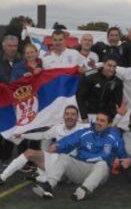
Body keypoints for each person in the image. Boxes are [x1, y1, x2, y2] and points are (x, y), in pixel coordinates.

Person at [32, 112, 131, 201]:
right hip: (81, 168)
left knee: (102, 164)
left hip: (100, 173)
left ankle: (83, 190)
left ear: (109, 124)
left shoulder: (114, 137)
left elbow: (124, 155)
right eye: (97, 119)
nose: (98, 122)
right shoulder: (85, 132)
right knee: (64, 157)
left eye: (102, 121)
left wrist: (129, 160)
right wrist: (58, 145)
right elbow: (69, 140)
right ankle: (48, 186)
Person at [0, 105, 87, 184]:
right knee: (29, 152)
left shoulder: (84, 128)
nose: (69, 117)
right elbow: (42, 135)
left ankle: (44, 178)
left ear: (77, 117)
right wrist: (23, 135)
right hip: (57, 162)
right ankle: (2, 177)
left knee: (60, 157)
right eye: (67, 114)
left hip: (74, 167)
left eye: (73, 114)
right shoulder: (58, 128)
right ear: (63, 116)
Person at [76, 55, 123, 123]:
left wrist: (111, 118)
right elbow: (80, 96)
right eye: (109, 65)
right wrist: (84, 116)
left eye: (114, 66)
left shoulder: (118, 82)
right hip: (88, 114)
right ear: (103, 64)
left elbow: (117, 103)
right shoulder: (90, 76)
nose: (112, 69)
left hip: (106, 117)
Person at [0, 35, 22, 166]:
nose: (13, 49)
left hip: (19, 103)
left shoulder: (23, 60)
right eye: (10, 46)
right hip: (2, 103)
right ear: (3, 46)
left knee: (16, 130)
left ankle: (10, 158)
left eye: (15, 46)